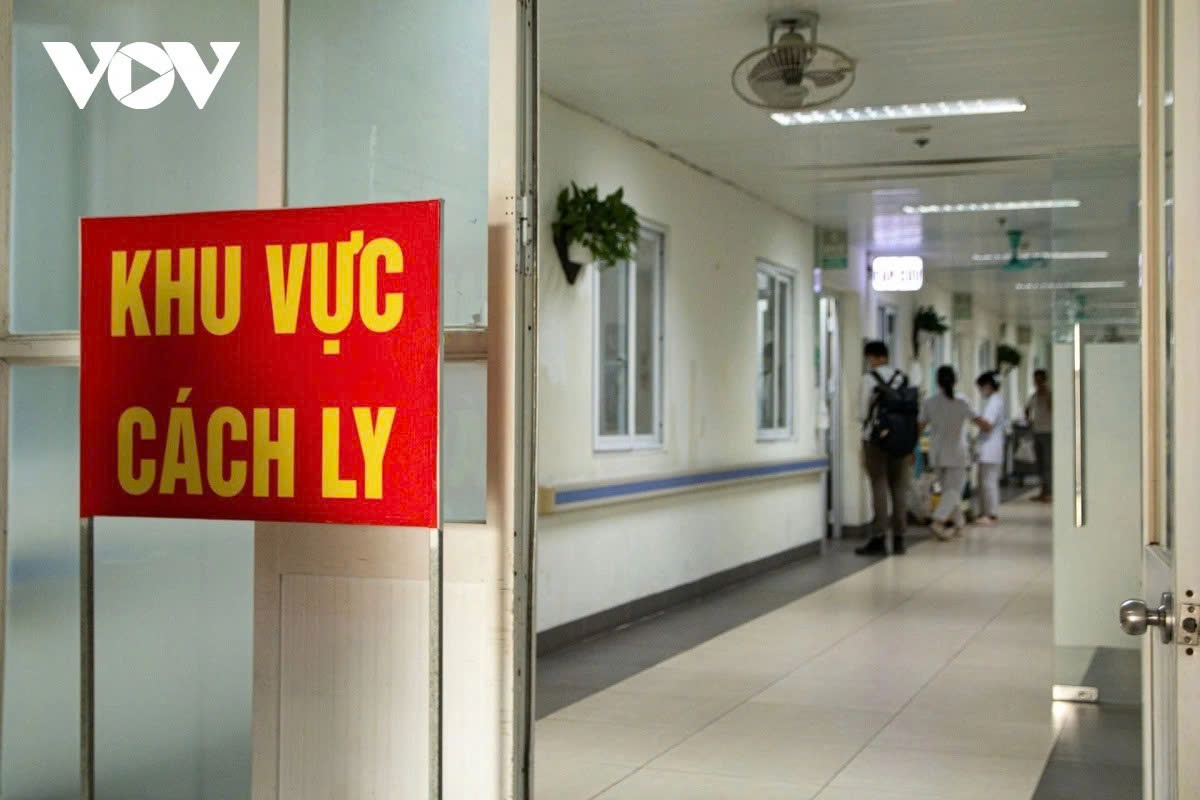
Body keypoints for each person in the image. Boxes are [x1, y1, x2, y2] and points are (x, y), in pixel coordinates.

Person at [856, 340, 919, 556]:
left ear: (873, 357)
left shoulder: (868, 379)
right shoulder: (902, 377)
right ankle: (900, 538)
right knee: (899, 486)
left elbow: (862, 414)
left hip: (876, 440)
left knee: (879, 484)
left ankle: (879, 537)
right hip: (901, 440)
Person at [919, 366, 987, 540]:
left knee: (948, 490)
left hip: (937, 452)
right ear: (955, 380)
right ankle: (938, 520)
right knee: (954, 491)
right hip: (956, 452)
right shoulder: (962, 401)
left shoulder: (930, 402)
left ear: (937, 382)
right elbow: (979, 421)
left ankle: (959, 524)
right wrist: (989, 426)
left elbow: (919, 426)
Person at [974, 371, 1007, 525]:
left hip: (990, 448)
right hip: (989, 447)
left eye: (981, 387)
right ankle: (985, 512)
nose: (981, 391)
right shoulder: (994, 401)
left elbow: (987, 425)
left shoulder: (994, 402)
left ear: (988, 385)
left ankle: (991, 514)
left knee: (988, 482)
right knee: (985, 481)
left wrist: (973, 417)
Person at [1026, 368, 1053, 502]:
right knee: (1040, 464)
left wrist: (1046, 396)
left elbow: (1053, 409)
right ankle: (1043, 490)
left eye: (1039, 379)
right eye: (1035, 379)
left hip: (1049, 432)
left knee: (1048, 463)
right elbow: (1027, 409)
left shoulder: (1050, 394)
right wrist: (1030, 421)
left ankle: (1049, 492)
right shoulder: (1034, 396)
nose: (1037, 382)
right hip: (1037, 432)